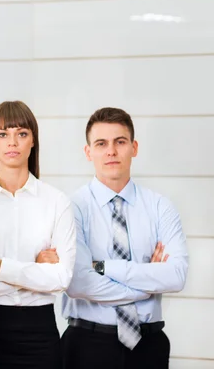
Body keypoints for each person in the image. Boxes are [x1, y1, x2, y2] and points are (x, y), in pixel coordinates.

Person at [62, 107, 189, 369]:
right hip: (87, 344)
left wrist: (103, 267)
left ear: (134, 147)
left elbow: (176, 276)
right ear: (88, 152)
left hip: (149, 347)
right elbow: (78, 283)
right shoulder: (71, 208)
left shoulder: (160, 207)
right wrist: (150, 279)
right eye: (101, 143)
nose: (111, 151)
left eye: (120, 142)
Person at [0, 100, 76, 368]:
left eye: (22, 134)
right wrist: (33, 272)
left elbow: (62, 278)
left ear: (33, 142)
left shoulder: (56, 201)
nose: (12, 142)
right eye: (3, 134)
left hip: (39, 333)